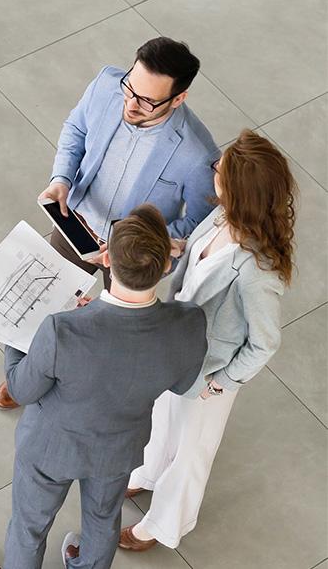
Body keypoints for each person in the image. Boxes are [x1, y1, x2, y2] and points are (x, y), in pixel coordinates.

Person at [0, 205, 208, 569]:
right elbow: (182, 383)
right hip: (117, 450)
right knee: (102, 522)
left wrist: (20, 337)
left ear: (106, 259)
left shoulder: (60, 331)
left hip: (50, 447)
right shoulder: (189, 324)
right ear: (165, 266)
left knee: (29, 526)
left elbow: (21, 388)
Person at [0, 36, 219, 411]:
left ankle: (82, 393)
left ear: (178, 98)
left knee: (110, 334)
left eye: (146, 101)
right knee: (42, 300)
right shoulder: (105, 85)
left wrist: (141, 245)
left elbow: (199, 222)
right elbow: (76, 129)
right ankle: (25, 378)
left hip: (128, 255)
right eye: (130, 86)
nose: (130, 104)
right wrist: (61, 179)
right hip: (75, 222)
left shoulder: (197, 153)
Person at [120, 130, 296, 552]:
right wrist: (173, 248)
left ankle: (161, 526)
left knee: (191, 451)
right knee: (162, 416)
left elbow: (265, 342)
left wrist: (223, 382)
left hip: (208, 372)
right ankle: (145, 473)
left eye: (221, 167)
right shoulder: (221, 217)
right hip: (176, 347)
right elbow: (197, 262)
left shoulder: (259, 271)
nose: (213, 167)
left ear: (238, 189)